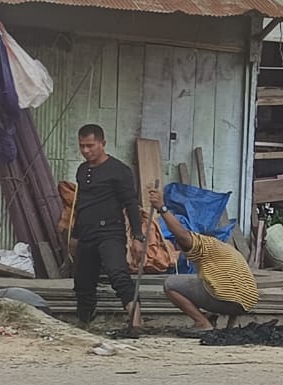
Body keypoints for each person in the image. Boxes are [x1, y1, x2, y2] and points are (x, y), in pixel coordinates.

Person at [149, 188, 261, 338]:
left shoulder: (205, 244)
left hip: (230, 298)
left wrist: (162, 208)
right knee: (204, 283)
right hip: (246, 302)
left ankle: (202, 323)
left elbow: (182, 235)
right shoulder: (224, 250)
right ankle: (212, 320)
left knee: (171, 284)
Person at [69, 124, 146, 336]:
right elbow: (80, 205)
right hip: (86, 233)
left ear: (102, 144)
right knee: (83, 281)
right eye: (82, 146)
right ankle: (84, 324)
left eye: (90, 146)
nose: (86, 151)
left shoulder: (119, 171)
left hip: (110, 232)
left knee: (118, 274)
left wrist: (138, 237)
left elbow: (131, 204)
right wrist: (74, 235)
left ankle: (136, 323)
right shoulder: (82, 170)